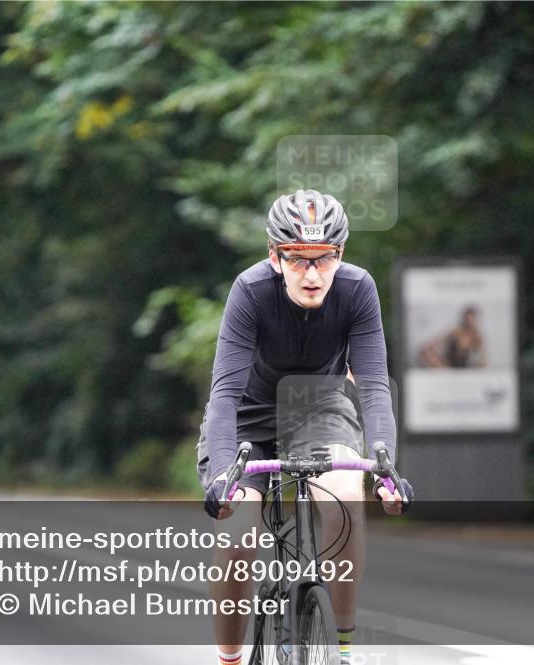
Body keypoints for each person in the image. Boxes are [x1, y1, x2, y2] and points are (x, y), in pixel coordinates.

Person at [196, 189, 414, 665]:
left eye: (325, 258)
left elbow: (374, 384)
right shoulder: (250, 291)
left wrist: (384, 464)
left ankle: (343, 647)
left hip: (320, 409)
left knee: (345, 498)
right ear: (275, 256)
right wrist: (219, 476)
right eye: (297, 259)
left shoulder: (357, 289)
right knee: (240, 537)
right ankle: (229, 658)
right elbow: (224, 396)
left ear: (341, 254)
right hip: (249, 416)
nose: (313, 274)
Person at [417, 306, 486, 368]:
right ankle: (444, 371)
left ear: (474, 320)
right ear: (464, 318)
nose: (468, 321)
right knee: (425, 352)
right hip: (448, 363)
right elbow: (439, 340)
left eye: (471, 319)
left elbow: (481, 357)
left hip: (463, 366)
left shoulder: (476, 336)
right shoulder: (455, 331)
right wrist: (430, 347)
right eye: (467, 318)